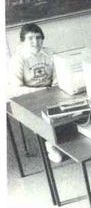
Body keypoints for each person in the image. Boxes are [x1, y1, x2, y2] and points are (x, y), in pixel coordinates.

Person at [8, 23, 64, 163]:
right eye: (30, 38)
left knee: (68, 107)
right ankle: (50, 144)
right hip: (29, 97)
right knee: (46, 116)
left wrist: (56, 88)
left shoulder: (50, 53)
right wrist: (42, 91)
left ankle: (63, 141)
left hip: (50, 91)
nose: (35, 42)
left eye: (38, 38)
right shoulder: (18, 59)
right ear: (23, 41)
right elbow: (16, 88)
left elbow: (59, 76)